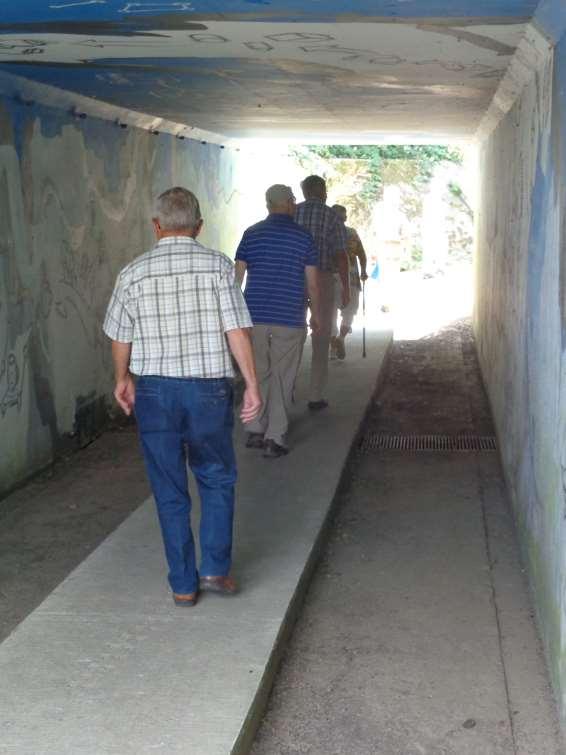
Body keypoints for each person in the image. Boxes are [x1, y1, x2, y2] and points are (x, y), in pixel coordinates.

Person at [102, 187, 261, 607]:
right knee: (216, 476)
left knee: (169, 487)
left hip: (154, 391)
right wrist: (253, 385)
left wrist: (122, 377)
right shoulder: (217, 267)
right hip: (208, 390)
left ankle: (182, 584)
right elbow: (236, 331)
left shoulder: (133, 273)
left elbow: (121, 334)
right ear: (199, 226)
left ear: (156, 226)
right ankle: (214, 570)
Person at [234, 184, 320, 458]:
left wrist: (233, 315)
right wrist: (317, 313)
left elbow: (237, 278)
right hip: (289, 317)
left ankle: (255, 427)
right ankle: (275, 437)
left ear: (268, 204)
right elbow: (313, 283)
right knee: (283, 376)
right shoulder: (304, 237)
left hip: (254, 316)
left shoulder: (251, 234)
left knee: (257, 371)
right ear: (290, 203)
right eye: (293, 201)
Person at [294, 175, 349, 411]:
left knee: (292, 333)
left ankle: (286, 390)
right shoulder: (332, 216)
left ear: (304, 192)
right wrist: (346, 287)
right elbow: (340, 254)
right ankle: (315, 396)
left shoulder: (292, 213)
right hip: (323, 278)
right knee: (321, 334)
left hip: (294, 279)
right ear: (323, 191)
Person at [330, 204, 368, 359]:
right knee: (349, 313)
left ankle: (335, 345)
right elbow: (362, 254)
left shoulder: (328, 233)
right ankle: (340, 339)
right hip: (349, 279)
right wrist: (364, 271)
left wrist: (364, 270)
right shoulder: (352, 233)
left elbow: (362, 254)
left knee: (331, 315)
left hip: (332, 279)